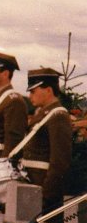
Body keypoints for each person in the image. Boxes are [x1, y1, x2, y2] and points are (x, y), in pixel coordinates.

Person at [22, 68, 72, 214]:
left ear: (48, 90)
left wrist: (46, 196)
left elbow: (59, 162)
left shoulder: (58, 115)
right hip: (32, 186)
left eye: (33, 91)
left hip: (43, 189)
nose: (30, 95)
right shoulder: (44, 113)